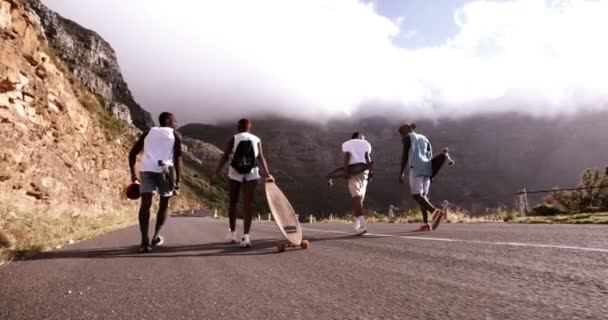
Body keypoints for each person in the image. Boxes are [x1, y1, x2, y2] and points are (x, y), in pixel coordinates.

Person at [211, 118, 272, 248]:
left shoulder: (234, 138)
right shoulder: (256, 139)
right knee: (247, 204)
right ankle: (246, 237)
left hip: (235, 171)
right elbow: (261, 157)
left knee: (233, 202)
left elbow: (226, 155)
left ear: (238, 127)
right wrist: (268, 174)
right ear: (250, 128)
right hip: (252, 171)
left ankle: (232, 234)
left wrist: (216, 172)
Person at [129, 112, 182, 253]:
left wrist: (133, 174)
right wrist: (178, 179)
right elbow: (178, 158)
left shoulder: (147, 133)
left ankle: (144, 242)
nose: (176, 123)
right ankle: (156, 236)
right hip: (166, 171)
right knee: (164, 204)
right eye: (174, 120)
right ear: (167, 120)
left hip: (146, 170)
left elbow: (132, 153)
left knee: (145, 204)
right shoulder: (176, 135)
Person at [398, 122, 443, 231]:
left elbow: (404, 156)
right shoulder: (424, 138)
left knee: (416, 195)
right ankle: (426, 223)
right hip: (427, 168)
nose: (401, 136)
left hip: (416, 168)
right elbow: (430, 154)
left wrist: (401, 172)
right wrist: (432, 173)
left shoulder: (408, 138)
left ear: (405, 131)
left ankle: (435, 212)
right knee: (422, 197)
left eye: (401, 133)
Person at [342, 132, 373, 235]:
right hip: (364, 172)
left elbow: (347, 156)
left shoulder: (347, 144)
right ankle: (358, 223)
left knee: (356, 197)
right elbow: (367, 157)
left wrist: (345, 172)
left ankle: (362, 225)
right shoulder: (366, 144)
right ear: (360, 137)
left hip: (353, 172)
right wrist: (371, 172)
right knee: (359, 198)